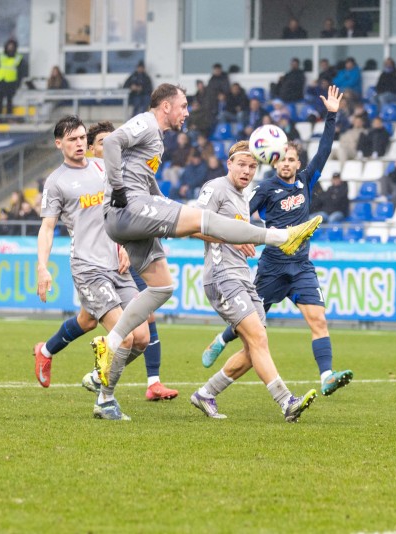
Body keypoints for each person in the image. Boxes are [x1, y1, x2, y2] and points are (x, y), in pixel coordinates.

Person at [90, 84, 322, 420]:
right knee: (207, 219)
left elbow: (144, 176)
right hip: (128, 209)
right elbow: (112, 143)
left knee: (162, 287)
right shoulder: (146, 123)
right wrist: (119, 190)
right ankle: (280, 237)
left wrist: (157, 203)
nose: (186, 112)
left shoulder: (159, 142)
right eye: (183, 106)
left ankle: (108, 364)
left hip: (136, 211)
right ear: (166, 106)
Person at [200, 86, 353, 398]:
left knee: (318, 320)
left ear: (298, 163)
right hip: (272, 267)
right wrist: (241, 236)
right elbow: (241, 217)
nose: (287, 164)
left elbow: (324, 149)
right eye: (282, 159)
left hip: (300, 266)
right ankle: (220, 339)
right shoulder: (265, 189)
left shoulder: (306, 181)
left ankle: (326, 376)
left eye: (292, 159)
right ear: (273, 161)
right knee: (252, 324)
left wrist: (332, 116)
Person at [33, 116, 151, 420]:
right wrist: (42, 267)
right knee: (123, 337)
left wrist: (124, 245)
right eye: (71, 139)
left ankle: (51, 353)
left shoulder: (102, 169)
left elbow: (119, 212)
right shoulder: (56, 181)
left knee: (141, 338)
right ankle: (105, 401)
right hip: (88, 267)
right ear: (59, 144)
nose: (79, 144)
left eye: (82, 138)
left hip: (117, 264)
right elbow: (47, 228)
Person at [191, 141, 317, 422]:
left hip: (242, 277)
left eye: (252, 166)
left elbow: (239, 234)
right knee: (258, 338)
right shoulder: (216, 188)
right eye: (242, 164)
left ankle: (205, 393)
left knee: (252, 350)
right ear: (229, 164)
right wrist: (231, 236)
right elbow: (192, 227)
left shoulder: (242, 197)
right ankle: (287, 402)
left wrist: (245, 237)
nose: (247, 171)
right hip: (221, 277)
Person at [84, 120, 179, 401]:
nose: (106, 147)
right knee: (88, 322)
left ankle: (152, 381)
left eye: (109, 142)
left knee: (147, 316)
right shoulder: (88, 179)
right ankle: (51, 352)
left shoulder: (126, 170)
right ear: (91, 149)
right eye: (100, 143)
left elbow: (146, 199)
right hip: (98, 264)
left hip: (128, 255)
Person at [0, 38, 24, 117]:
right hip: (1, 81)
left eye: (12, 46)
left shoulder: (18, 58)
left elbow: (20, 72)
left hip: (11, 82)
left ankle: (8, 117)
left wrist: (18, 83)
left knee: (9, 101)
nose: (10, 48)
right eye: (9, 46)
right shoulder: (1, 56)